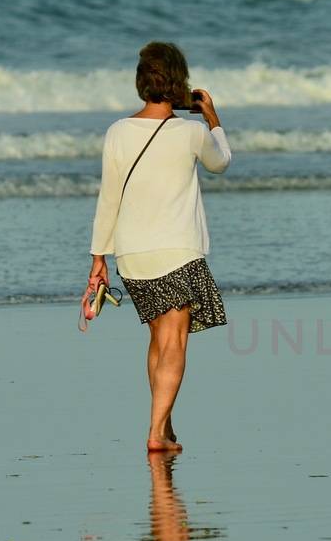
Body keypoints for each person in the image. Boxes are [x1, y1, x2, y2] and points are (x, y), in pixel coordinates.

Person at [87, 41, 232, 454]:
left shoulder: (117, 131)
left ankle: (164, 429)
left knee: (158, 340)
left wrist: (98, 259)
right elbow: (221, 162)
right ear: (178, 83)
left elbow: (108, 199)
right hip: (177, 250)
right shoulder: (191, 132)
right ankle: (155, 432)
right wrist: (213, 118)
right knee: (174, 343)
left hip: (131, 256)